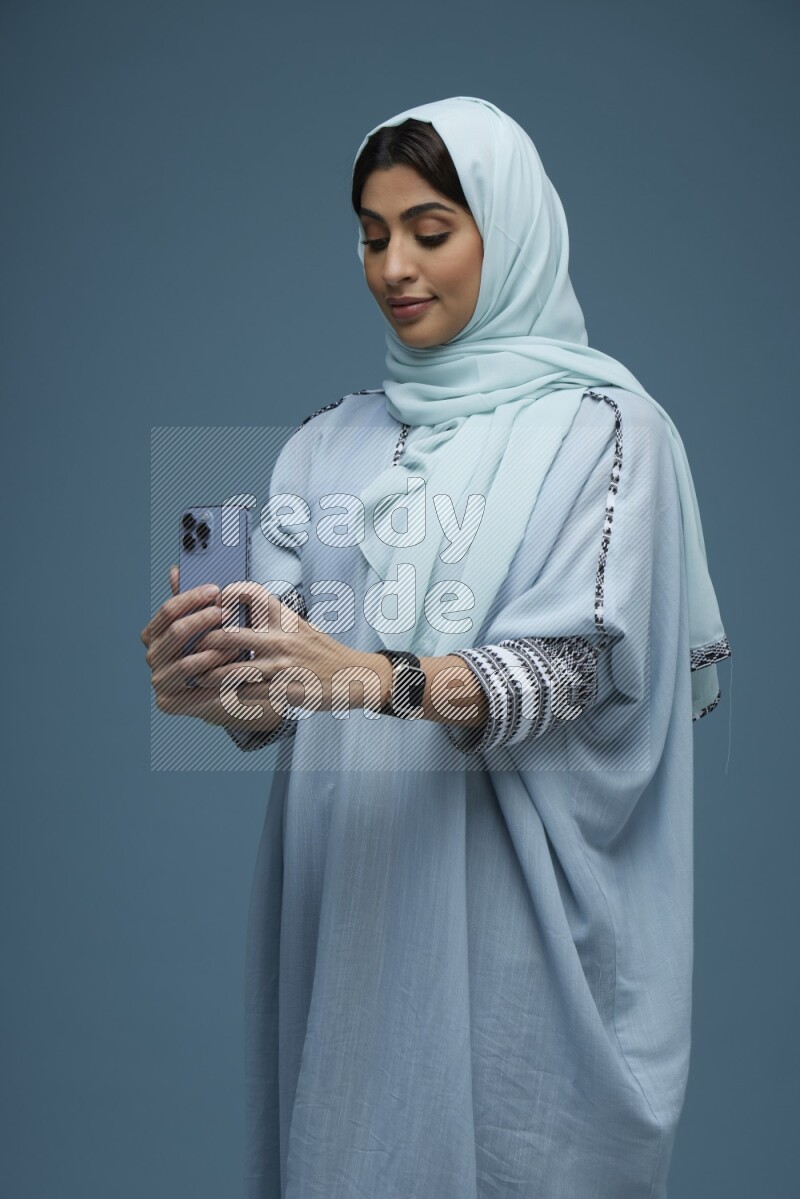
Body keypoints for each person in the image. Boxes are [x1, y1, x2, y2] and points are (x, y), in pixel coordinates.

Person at [141, 97, 731, 1198]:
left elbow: (571, 667)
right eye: (371, 236)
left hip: (514, 927)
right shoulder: (328, 441)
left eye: (429, 228)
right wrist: (213, 690)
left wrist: (373, 674)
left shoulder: (606, 430)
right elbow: (275, 681)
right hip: (356, 906)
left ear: (502, 234)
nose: (393, 266)